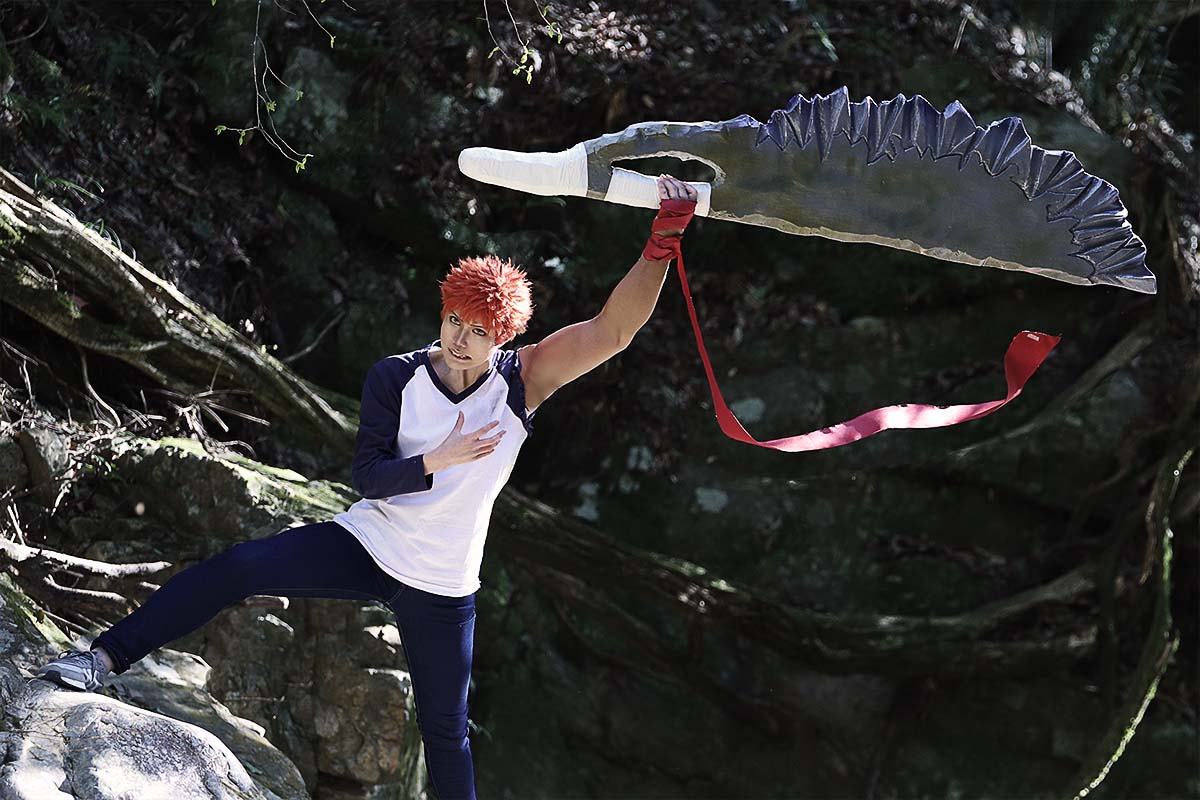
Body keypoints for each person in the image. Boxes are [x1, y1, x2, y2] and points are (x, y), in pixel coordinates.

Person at [35, 174, 699, 799]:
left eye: (479, 332)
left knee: (446, 732)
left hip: (444, 585)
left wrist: (661, 243)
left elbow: (612, 331)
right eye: (454, 321)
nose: (461, 339)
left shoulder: (522, 382)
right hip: (369, 544)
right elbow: (370, 477)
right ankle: (102, 659)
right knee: (239, 567)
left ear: (501, 338)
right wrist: (438, 458)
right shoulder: (396, 376)